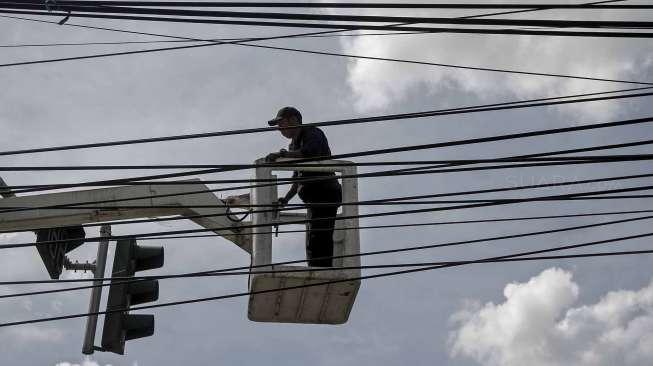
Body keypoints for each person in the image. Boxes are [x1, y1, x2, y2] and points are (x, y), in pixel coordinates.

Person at [266, 106, 342, 267]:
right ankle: (318, 268)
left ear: (294, 120)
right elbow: (297, 178)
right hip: (313, 197)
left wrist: (282, 155)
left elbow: (310, 152)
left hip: (324, 192)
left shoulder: (311, 132)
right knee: (314, 237)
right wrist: (285, 200)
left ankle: (321, 270)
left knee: (319, 236)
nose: (279, 129)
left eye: (281, 123)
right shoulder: (293, 146)